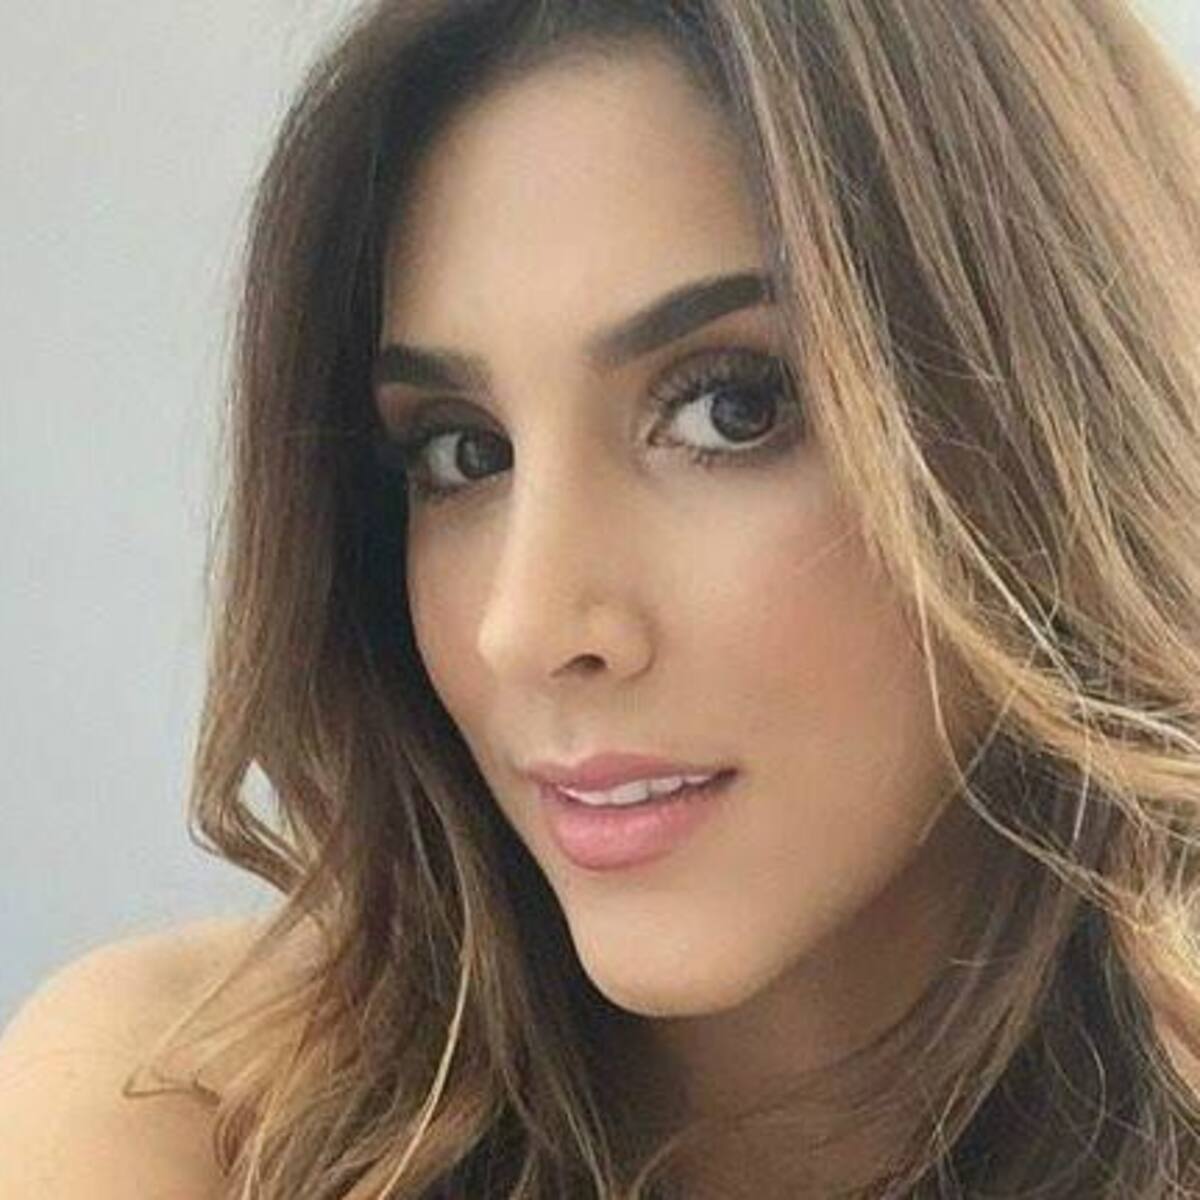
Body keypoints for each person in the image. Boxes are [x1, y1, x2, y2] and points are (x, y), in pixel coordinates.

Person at [4, 0, 1200, 1195]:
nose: (521, 626)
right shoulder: (182, 1111)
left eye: (731, 409)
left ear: (1072, 430)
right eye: (463, 452)